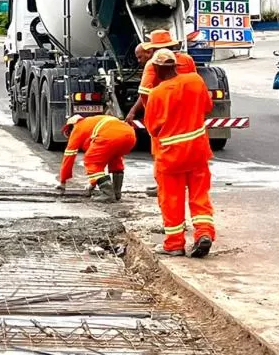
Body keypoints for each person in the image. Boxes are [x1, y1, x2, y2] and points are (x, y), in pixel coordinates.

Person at [144, 48, 215, 258]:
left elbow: (153, 129)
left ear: (156, 69)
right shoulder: (195, 81)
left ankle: (174, 244)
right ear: (175, 66)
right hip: (197, 152)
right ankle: (204, 233)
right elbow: (207, 107)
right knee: (199, 196)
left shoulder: (157, 94)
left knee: (171, 200)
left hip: (170, 157)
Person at [124, 30, 198, 197]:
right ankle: (182, 182)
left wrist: (151, 115)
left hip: (165, 115)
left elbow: (144, 91)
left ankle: (163, 185)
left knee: (160, 151)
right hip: (186, 113)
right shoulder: (187, 60)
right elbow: (194, 83)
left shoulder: (153, 64)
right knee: (185, 151)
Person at [59, 114, 137, 202]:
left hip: (110, 136)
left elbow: (69, 156)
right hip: (130, 135)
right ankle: (116, 192)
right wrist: (92, 184)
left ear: (71, 126)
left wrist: (63, 181)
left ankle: (108, 194)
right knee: (115, 159)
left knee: (91, 161)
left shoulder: (78, 127)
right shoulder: (93, 122)